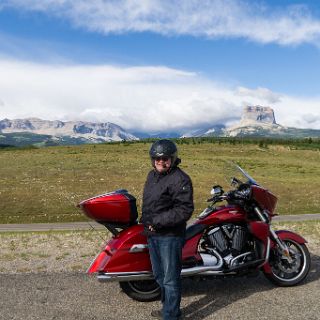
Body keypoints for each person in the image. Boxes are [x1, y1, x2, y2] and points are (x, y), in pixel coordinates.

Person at [141, 139, 194, 320]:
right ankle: (169, 309)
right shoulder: (152, 175)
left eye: (165, 159)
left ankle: (171, 315)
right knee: (159, 276)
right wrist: (146, 220)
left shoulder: (180, 179)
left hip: (170, 236)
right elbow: (150, 203)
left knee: (170, 279)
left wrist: (157, 221)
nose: (161, 162)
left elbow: (184, 210)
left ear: (172, 159)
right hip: (153, 234)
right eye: (157, 159)